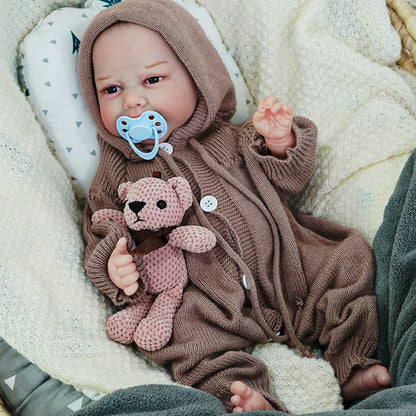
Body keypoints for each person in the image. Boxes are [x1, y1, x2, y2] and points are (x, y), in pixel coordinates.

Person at [78, 0, 390, 412]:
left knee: (347, 262)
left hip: (288, 263)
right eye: (112, 89)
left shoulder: (233, 137)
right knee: (190, 344)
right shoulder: (117, 174)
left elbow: (289, 178)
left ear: (198, 78)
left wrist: (280, 142)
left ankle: (354, 362)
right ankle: (244, 398)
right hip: (205, 298)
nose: (133, 102)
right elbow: (102, 225)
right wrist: (113, 262)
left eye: (152, 79)